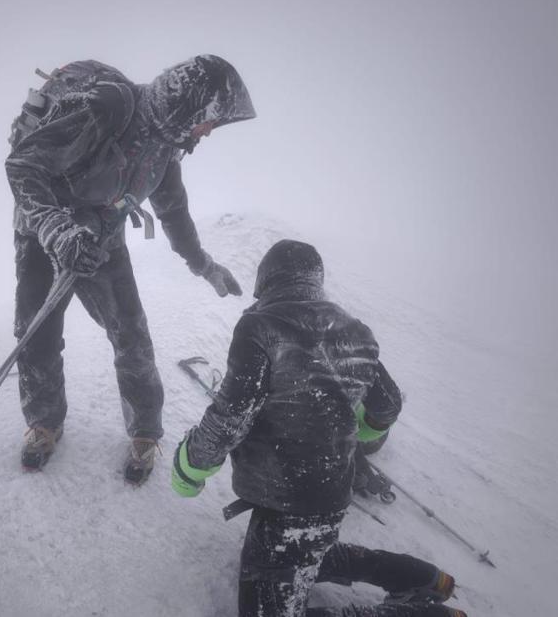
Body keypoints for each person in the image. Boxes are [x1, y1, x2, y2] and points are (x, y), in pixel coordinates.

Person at [171, 240, 467, 617]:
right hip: (325, 496)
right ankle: (419, 575)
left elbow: (231, 419)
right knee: (307, 552)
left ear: (265, 283)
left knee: (285, 572)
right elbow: (388, 404)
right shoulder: (355, 330)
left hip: (285, 502)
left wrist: (188, 468)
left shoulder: (260, 326)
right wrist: (353, 430)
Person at [6, 55, 255, 484]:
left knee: (131, 334)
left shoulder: (164, 144)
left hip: (102, 236)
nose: (209, 131)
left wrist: (205, 266)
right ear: (189, 107)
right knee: (37, 333)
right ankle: (44, 423)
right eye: (210, 120)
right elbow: (24, 166)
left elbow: (174, 212)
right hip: (43, 232)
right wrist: (57, 231)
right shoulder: (108, 107)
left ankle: (144, 432)